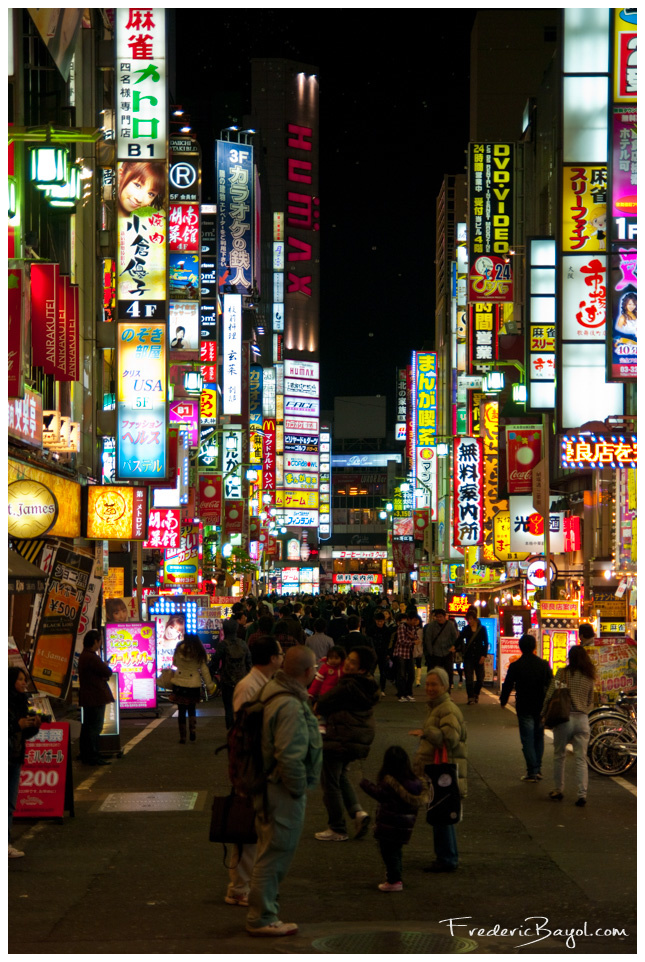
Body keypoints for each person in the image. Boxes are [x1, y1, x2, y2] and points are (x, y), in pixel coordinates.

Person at [245, 646, 322, 937]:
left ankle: (264, 909)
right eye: (314, 668)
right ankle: (262, 916)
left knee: (269, 849)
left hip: (266, 784)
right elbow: (289, 754)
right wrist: (298, 788)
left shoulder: (272, 689)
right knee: (275, 852)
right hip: (280, 789)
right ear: (307, 672)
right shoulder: (289, 704)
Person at [224, 636, 285, 909]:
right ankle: (238, 887)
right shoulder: (248, 686)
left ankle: (255, 883)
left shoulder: (267, 684)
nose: (282, 657)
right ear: (272, 658)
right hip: (250, 767)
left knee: (262, 829)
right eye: (280, 653)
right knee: (246, 830)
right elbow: (243, 731)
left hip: (262, 766)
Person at [314, 646, 379, 842]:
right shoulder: (368, 685)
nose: (347, 664)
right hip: (355, 739)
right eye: (348, 659)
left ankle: (337, 827)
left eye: (352, 662)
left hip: (339, 738)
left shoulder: (348, 685)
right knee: (340, 776)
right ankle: (358, 814)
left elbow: (322, 703)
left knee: (330, 781)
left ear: (362, 669)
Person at [410, 667, 467, 873]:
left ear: (444, 685)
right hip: (439, 770)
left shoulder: (447, 709)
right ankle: (446, 856)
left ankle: (447, 858)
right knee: (441, 813)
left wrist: (427, 732)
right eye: (428, 684)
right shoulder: (437, 707)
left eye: (434, 684)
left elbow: (449, 737)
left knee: (441, 813)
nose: (430, 688)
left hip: (442, 771)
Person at [359, 745, 428, 892]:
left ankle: (394, 880)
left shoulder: (390, 782)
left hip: (389, 825)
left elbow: (379, 794)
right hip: (405, 826)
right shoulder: (415, 783)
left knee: (388, 852)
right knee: (396, 850)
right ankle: (396, 876)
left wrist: (365, 784)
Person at [542, 644, 596, 806]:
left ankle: (558, 790)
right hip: (582, 720)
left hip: (564, 719)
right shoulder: (589, 676)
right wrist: (584, 710)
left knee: (559, 755)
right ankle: (582, 794)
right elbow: (591, 701)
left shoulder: (563, 673)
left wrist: (543, 713)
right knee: (581, 758)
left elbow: (551, 694)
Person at [500, 634, 553, 781]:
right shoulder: (543, 664)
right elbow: (550, 683)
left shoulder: (516, 665)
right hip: (540, 705)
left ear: (520, 647)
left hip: (524, 706)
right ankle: (538, 769)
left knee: (527, 739)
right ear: (534, 647)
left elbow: (508, 685)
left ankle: (532, 771)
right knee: (538, 737)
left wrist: (503, 700)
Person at [9, 668, 42, 858]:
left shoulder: (22, 702)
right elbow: (12, 727)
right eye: (20, 680)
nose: (24, 683)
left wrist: (33, 726)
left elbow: (24, 734)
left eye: (25, 680)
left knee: (10, 803)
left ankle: (6, 843)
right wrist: (17, 725)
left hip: (15, 755)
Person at [170, 633, 215, 743]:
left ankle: (183, 737)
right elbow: (204, 670)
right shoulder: (198, 651)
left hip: (179, 683)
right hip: (193, 685)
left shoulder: (178, 649)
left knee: (181, 710)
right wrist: (209, 685)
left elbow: (174, 664)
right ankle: (193, 731)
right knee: (191, 709)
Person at [78, 630, 114, 765]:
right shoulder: (92, 657)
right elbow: (107, 672)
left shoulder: (84, 656)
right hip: (95, 697)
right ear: (95, 641)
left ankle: (86, 754)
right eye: (99, 641)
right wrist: (105, 666)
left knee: (87, 727)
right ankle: (92, 756)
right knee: (95, 727)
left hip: (88, 697)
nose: (100, 644)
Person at [214, 620, 252, 729]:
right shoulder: (243, 644)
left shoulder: (223, 645)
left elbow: (215, 662)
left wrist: (210, 674)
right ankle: (240, 728)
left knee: (228, 707)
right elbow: (249, 662)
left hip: (227, 680)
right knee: (241, 706)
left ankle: (230, 731)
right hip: (242, 680)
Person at [459, 605, 489, 704]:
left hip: (479, 656)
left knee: (480, 679)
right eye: (468, 620)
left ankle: (476, 693)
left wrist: (483, 655)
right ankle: (470, 697)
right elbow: (459, 639)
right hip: (468, 657)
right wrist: (454, 646)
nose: (469, 621)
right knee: (469, 678)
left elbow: (485, 642)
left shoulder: (482, 629)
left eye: (471, 619)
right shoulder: (466, 629)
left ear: (475, 619)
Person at [423, 609, 459, 691]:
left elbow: (455, 637)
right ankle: (437, 690)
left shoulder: (450, 625)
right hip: (435, 653)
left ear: (444, 616)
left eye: (440, 616)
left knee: (449, 672)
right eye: (437, 617)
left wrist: (454, 646)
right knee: (436, 673)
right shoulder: (431, 626)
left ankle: (447, 690)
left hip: (447, 652)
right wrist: (430, 652)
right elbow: (427, 639)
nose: (439, 618)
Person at [392, 610, 419, 702]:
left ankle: (408, 693)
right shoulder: (401, 627)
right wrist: (413, 641)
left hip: (410, 653)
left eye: (416, 620)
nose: (415, 622)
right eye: (414, 620)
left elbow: (417, 639)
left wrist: (413, 638)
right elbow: (401, 641)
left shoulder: (413, 628)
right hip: (401, 653)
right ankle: (401, 694)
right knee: (401, 675)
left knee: (411, 674)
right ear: (409, 619)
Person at [371, 609, 395, 696]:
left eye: (381, 621)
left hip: (383, 653)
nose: (379, 623)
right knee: (371, 672)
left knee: (383, 672)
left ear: (383, 621)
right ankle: (373, 688)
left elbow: (389, 643)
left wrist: (388, 653)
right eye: (378, 621)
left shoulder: (387, 630)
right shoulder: (372, 629)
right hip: (373, 652)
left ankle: (382, 688)